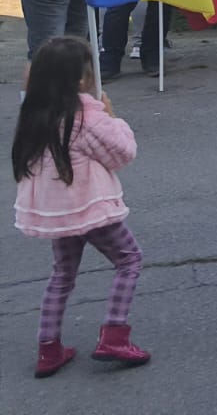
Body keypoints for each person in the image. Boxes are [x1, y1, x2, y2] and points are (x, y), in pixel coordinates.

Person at [12, 36, 150, 376]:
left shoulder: (34, 113)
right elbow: (121, 154)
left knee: (62, 275)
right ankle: (114, 335)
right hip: (91, 208)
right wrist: (112, 116)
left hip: (59, 212)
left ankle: (48, 348)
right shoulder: (86, 117)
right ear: (81, 80)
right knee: (129, 259)